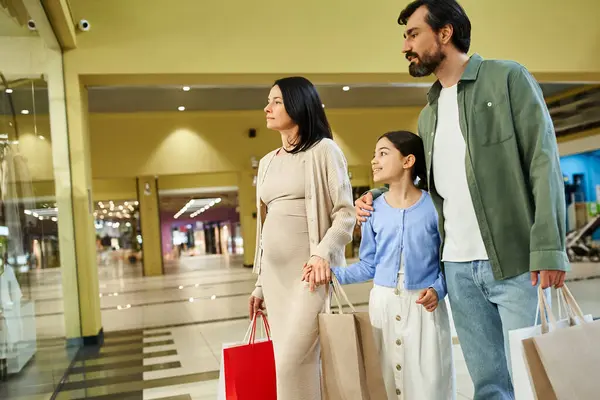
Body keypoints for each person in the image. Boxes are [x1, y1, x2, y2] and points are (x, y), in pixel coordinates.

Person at [355, 1, 570, 398]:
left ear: (445, 33)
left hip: (517, 262)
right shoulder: (429, 112)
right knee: (488, 385)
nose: (406, 45)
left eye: (413, 33)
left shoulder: (507, 79)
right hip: (457, 267)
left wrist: (550, 249)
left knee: (536, 379)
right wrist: (379, 193)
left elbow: (543, 163)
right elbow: (424, 181)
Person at [306, 131, 455, 399]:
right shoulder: (371, 210)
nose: (374, 161)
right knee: (383, 380)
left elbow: (448, 261)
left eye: (383, 153)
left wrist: (438, 289)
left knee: (429, 383)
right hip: (382, 307)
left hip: (423, 309)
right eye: (375, 155)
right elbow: (368, 266)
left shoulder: (434, 207)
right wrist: (332, 275)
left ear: (408, 160)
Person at [248, 76, 355, 400]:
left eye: (276, 101)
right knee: (298, 365)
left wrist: (322, 253)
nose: (267, 108)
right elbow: (264, 228)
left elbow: (345, 214)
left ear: (299, 104)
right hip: (275, 280)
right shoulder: (267, 162)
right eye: (268, 101)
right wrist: (260, 284)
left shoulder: (324, 151)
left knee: (290, 364)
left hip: (309, 278)